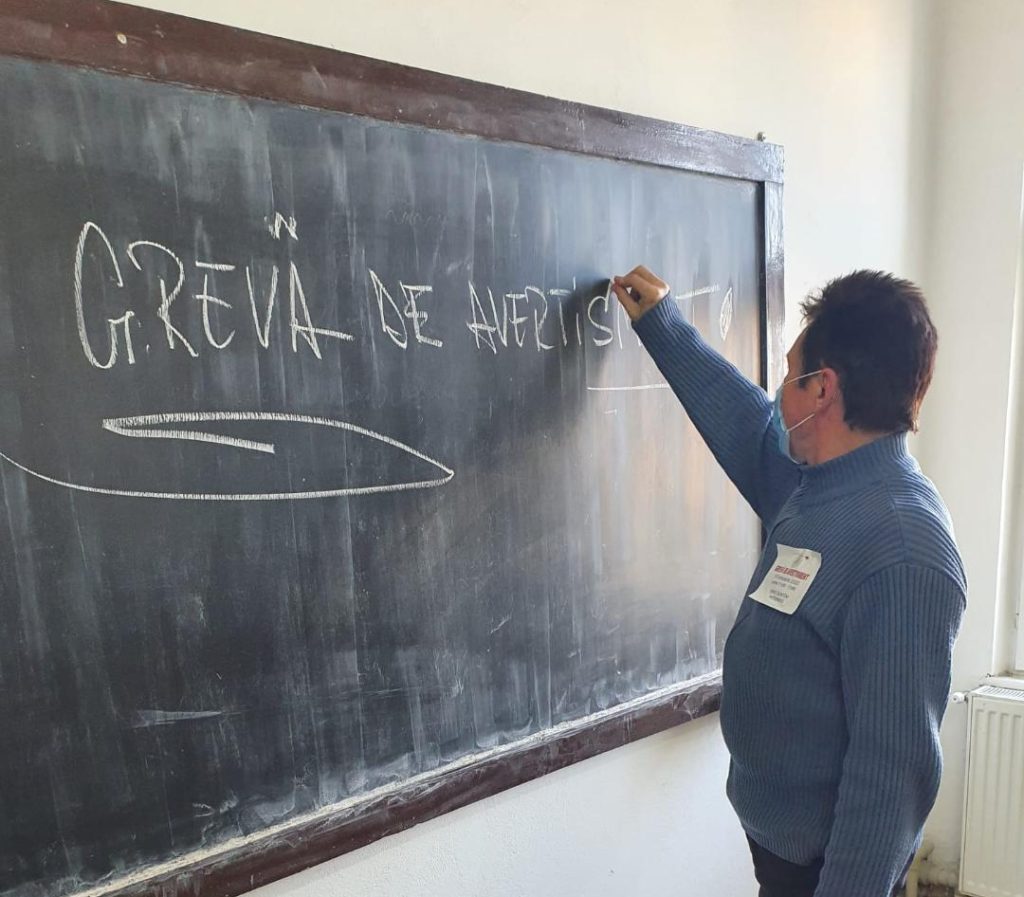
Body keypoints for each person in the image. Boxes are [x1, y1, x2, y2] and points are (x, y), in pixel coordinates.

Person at [610, 266, 966, 897]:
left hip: (826, 875)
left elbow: (892, 777)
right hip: (781, 859)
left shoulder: (902, 550)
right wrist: (663, 326)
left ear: (822, 389)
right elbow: (746, 427)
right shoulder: (820, 484)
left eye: (790, 375)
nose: (779, 394)